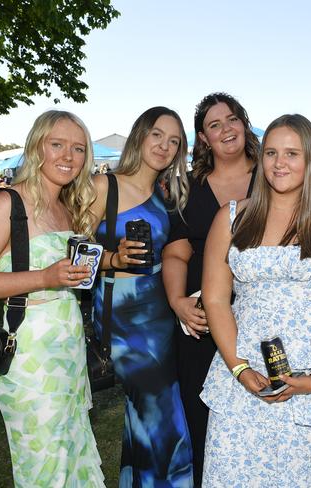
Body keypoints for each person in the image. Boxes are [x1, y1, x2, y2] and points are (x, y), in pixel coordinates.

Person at [200, 114, 311, 487]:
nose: (279, 163)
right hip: (244, 372)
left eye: (292, 153)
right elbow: (216, 300)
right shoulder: (230, 219)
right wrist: (239, 368)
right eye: (271, 153)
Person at [0, 110, 104, 486]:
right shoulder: (8, 204)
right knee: (44, 470)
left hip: (68, 351)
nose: (68, 156)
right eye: (57, 145)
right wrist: (45, 277)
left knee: (72, 459)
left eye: (78, 148)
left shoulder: (67, 208)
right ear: (37, 146)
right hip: (30, 355)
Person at [89, 106, 193, 486]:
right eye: (157, 135)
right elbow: (68, 254)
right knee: (164, 418)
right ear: (139, 136)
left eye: (174, 141)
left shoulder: (166, 195)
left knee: (142, 417)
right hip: (123, 324)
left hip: (160, 320)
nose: (165, 146)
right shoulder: (105, 187)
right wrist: (112, 257)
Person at [162, 92, 259, 486]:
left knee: (262, 411)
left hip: (261, 315)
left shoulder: (274, 174)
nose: (226, 129)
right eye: (214, 125)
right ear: (203, 138)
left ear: (245, 124)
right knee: (203, 418)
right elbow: (175, 252)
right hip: (200, 320)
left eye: (232, 119)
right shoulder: (189, 187)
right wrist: (176, 301)